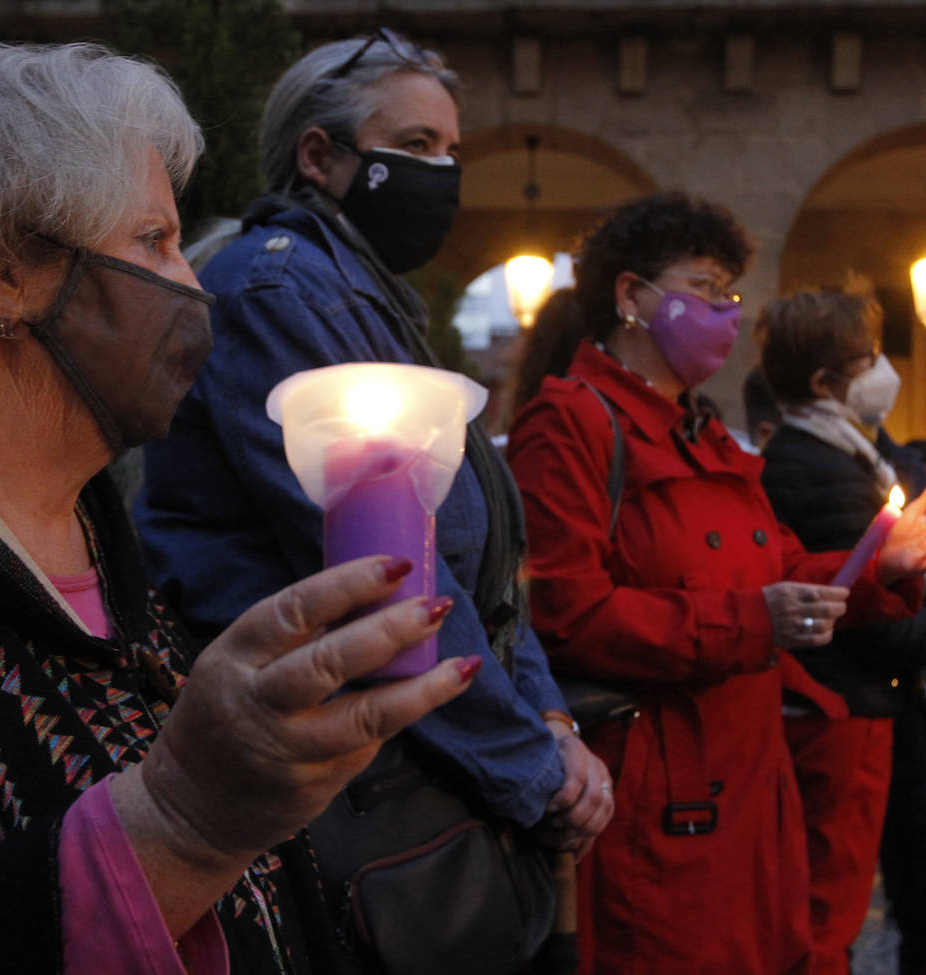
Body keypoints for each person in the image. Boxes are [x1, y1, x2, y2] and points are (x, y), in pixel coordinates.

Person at [0, 30, 482, 975]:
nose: (191, 281)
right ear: (4, 269)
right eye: (154, 241)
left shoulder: (94, 539)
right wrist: (177, 823)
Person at [133, 26, 613, 964]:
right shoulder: (278, 291)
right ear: (322, 155)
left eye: (452, 149)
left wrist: (550, 719)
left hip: (413, 754)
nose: (445, 170)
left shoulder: (364, 296)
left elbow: (483, 561)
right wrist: (536, 768)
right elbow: (387, 574)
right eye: (418, 147)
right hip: (334, 783)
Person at [504, 191, 926, 975]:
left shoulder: (704, 430)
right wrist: (751, 620)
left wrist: (879, 566)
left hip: (752, 786)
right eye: (706, 288)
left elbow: (779, 567)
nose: (726, 310)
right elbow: (566, 615)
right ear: (631, 296)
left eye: (730, 292)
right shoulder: (572, 423)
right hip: (659, 796)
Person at [754, 287, 926, 975]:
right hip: (837, 708)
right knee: (825, 901)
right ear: (822, 381)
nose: (882, 369)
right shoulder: (820, 468)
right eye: (867, 358)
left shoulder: (845, 455)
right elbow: (854, 612)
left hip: (860, 705)